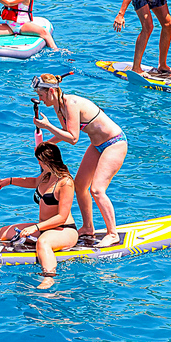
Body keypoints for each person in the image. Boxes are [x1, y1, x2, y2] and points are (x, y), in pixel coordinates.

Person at [31, 73, 127, 248]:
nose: (40, 99)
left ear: (51, 91)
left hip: (114, 143)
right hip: (97, 145)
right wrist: (45, 144)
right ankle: (88, 227)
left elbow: (73, 138)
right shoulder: (57, 106)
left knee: (97, 190)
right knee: (80, 185)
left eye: (41, 95)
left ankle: (112, 234)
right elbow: (64, 131)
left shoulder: (71, 103)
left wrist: (47, 126)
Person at [0, 142, 78, 289]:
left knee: (43, 243)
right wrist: (10, 181)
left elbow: (62, 217)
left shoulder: (66, 183)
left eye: (40, 160)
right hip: (44, 228)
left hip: (64, 230)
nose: (38, 163)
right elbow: (33, 182)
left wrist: (35, 227)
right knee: (3, 232)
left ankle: (49, 277)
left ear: (47, 161)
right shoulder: (46, 174)